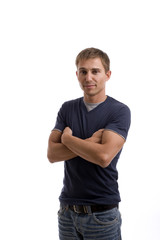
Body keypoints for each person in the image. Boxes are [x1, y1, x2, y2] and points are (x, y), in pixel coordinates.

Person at [47, 47, 131, 240]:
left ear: (107, 75)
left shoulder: (119, 111)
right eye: (83, 71)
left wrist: (68, 140)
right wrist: (90, 143)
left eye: (95, 71)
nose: (88, 77)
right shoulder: (67, 109)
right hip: (67, 213)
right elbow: (52, 154)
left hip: (101, 215)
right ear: (77, 74)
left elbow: (103, 157)